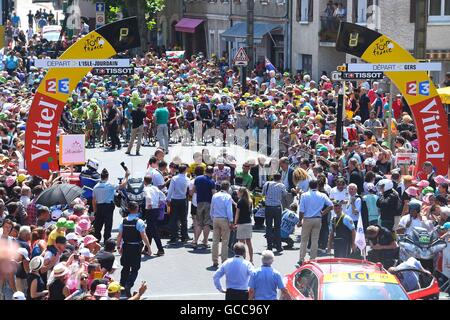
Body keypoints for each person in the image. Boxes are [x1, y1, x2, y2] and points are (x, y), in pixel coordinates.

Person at [116, 201, 152, 297]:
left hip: (126, 246)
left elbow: (119, 235)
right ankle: (128, 285)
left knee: (125, 267)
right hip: (136, 247)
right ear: (137, 209)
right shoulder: (139, 222)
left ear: (128, 209)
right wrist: (148, 247)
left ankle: (122, 286)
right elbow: (143, 235)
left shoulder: (123, 221)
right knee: (135, 268)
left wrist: (118, 246)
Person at [297, 180, 333, 267]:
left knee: (304, 240)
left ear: (309, 186)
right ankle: (312, 259)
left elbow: (301, 210)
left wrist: (300, 221)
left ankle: (301, 259)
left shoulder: (304, 195)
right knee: (315, 240)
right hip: (317, 219)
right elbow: (331, 205)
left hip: (307, 219)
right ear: (316, 186)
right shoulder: (322, 195)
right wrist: (323, 212)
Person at [92, 168, 129, 242]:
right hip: (108, 207)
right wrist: (126, 176)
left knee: (98, 225)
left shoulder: (95, 187)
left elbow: (94, 200)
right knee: (108, 225)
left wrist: (95, 210)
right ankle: (107, 241)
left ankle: (96, 241)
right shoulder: (110, 185)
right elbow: (122, 186)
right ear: (107, 177)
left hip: (99, 207)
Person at [210, 181, 234, 267]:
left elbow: (211, 208)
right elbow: (229, 210)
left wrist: (212, 217)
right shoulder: (228, 196)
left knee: (215, 241)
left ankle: (215, 260)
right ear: (228, 188)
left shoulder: (215, 195)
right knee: (225, 241)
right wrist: (231, 220)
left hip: (216, 218)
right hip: (224, 219)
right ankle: (224, 260)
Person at [262, 172, 287, 252]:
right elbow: (285, 194)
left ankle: (269, 246)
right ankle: (278, 246)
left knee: (268, 227)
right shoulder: (281, 185)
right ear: (280, 178)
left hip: (268, 207)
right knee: (277, 227)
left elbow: (263, 193)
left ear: (273, 177)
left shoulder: (267, 184)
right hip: (277, 208)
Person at [192, 166, 215, 248]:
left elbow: (193, 190)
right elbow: (213, 194)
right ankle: (205, 241)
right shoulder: (212, 181)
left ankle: (195, 241)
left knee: (199, 223)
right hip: (208, 203)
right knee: (207, 223)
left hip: (199, 202)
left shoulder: (198, 179)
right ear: (212, 173)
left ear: (205, 171)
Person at [166, 164, 190, 244]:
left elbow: (170, 190)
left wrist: (168, 199)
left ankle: (174, 237)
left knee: (174, 219)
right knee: (183, 219)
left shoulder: (174, 178)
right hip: (183, 200)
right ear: (185, 170)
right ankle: (184, 236)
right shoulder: (187, 179)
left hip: (174, 200)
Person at [143, 175, 166, 256]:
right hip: (156, 210)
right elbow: (163, 196)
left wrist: (149, 205)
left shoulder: (146, 189)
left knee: (154, 231)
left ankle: (161, 249)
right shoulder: (155, 188)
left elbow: (148, 197)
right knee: (149, 230)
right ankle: (146, 248)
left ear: (144, 181)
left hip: (150, 210)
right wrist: (159, 203)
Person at [234, 187, 253, 263]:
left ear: (241, 193)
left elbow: (237, 214)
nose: (237, 193)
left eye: (238, 192)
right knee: (249, 242)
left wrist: (235, 223)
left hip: (241, 223)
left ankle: (243, 258)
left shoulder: (240, 201)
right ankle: (251, 259)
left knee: (241, 243)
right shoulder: (250, 201)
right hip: (248, 222)